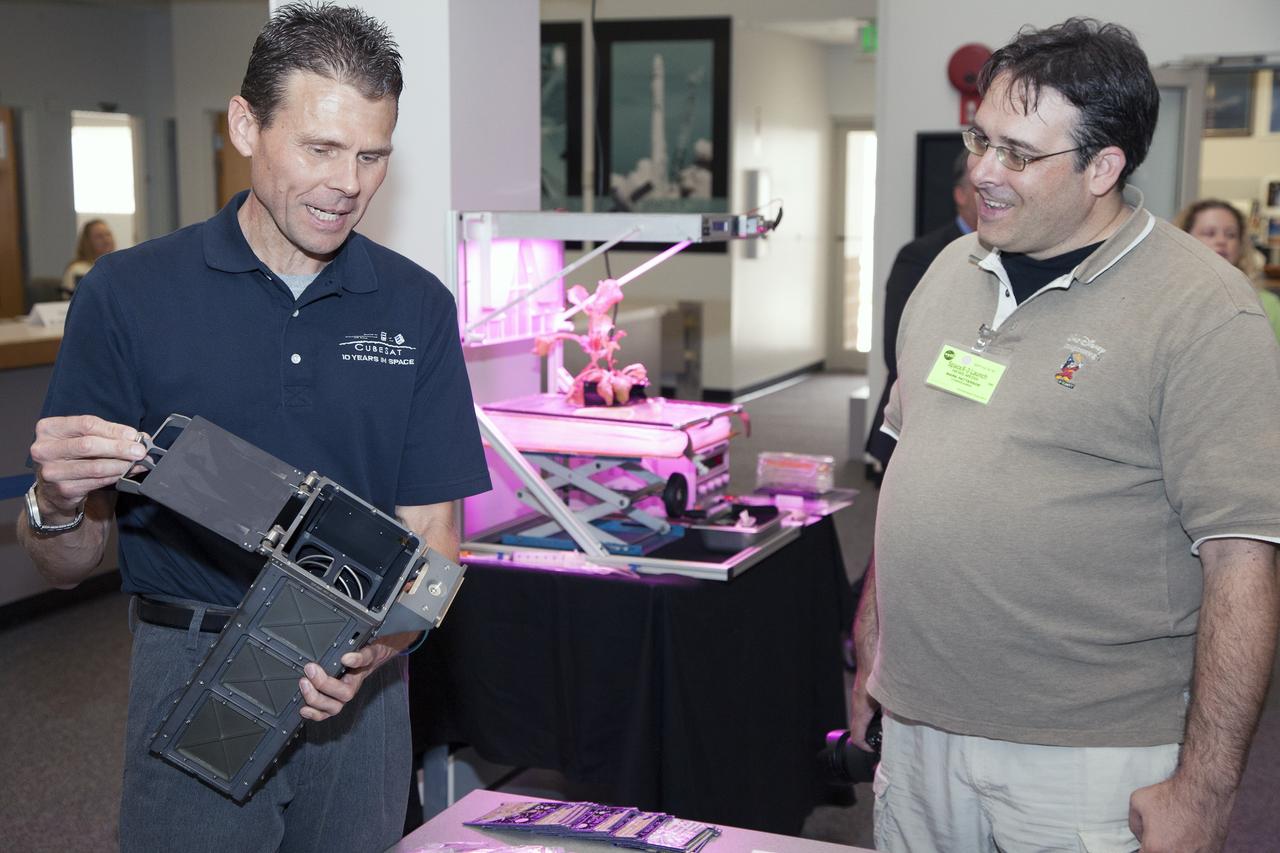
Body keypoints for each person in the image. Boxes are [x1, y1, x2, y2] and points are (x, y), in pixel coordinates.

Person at [16, 4, 490, 852]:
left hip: (361, 686)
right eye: (319, 148)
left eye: (371, 155)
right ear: (245, 124)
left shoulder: (417, 308)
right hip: (188, 667)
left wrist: (379, 652)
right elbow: (65, 563)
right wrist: (55, 500)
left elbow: (436, 545)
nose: (347, 182)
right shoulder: (127, 295)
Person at [851, 18, 1280, 853]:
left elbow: (1244, 558)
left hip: (1086, 757)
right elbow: (910, 466)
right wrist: (872, 649)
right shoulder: (949, 271)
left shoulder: (1205, 310)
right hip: (917, 723)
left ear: (1103, 166)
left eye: (1018, 152)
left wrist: (1205, 787)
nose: (981, 170)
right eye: (980, 137)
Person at [865, 149, 977, 482]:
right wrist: (989, 375)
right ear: (960, 194)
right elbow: (899, 353)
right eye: (980, 186)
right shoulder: (921, 256)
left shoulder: (1017, 256)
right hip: (916, 431)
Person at [1176, 198, 1280, 342]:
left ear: (1241, 246)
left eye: (1231, 235)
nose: (1221, 241)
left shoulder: (1267, 304)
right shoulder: (1171, 301)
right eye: (1209, 233)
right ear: (1183, 238)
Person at [60, 218, 115, 298]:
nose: (106, 240)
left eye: (108, 234)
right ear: (87, 241)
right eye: (99, 236)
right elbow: (68, 301)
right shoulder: (76, 270)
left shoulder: (117, 266)